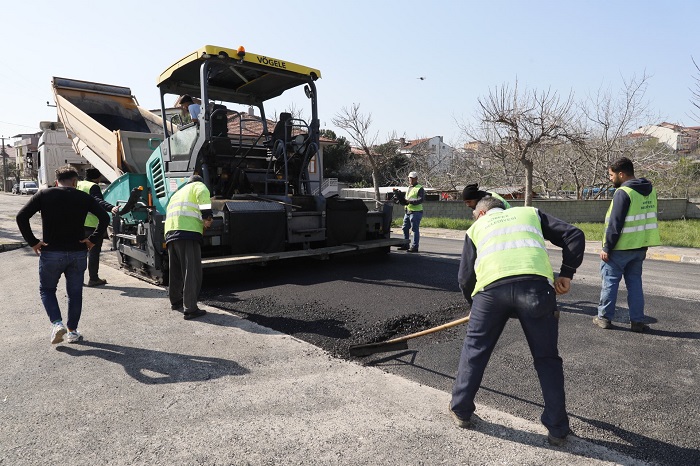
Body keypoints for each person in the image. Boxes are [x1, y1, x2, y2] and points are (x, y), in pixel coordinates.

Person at [449, 196, 585, 447]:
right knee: (547, 359)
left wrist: (475, 305)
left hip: (490, 294)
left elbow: (465, 277)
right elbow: (574, 234)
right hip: (536, 290)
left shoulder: (476, 228)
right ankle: (557, 428)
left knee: (475, 352)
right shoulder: (530, 214)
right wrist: (566, 273)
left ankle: (461, 410)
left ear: (480, 214)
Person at [16, 165, 110, 344]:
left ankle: (57, 323)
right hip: (78, 253)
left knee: (47, 289)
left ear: (56, 181)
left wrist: (33, 242)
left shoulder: (44, 195)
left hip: (51, 252)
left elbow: (21, 216)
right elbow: (104, 218)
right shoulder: (84, 197)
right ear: (75, 181)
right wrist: (92, 239)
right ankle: (72, 331)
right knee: (75, 293)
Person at [594, 157, 660, 333]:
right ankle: (637, 322)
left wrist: (607, 247)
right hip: (639, 248)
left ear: (621, 174)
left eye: (611, 175)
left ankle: (604, 318)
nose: (610, 178)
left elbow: (615, 224)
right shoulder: (649, 190)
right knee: (635, 284)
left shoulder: (624, 192)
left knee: (610, 283)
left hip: (619, 249)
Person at [164, 175, 214, 320]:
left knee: (175, 270)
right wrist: (207, 217)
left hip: (171, 233)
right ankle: (191, 308)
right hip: (188, 232)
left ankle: (176, 301)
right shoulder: (198, 186)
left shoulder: (177, 193)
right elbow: (203, 197)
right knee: (191, 271)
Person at [77, 168, 119, 287]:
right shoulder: (93, 187)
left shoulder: (78, 184)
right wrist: (111, 207)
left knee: (79, 253)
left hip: (79, 224)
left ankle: (78, 278)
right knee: (93, 252)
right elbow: (97, 201)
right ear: (98, 178)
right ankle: (93, 279)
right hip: (91, 225)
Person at [397, 171, 424, 253]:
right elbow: (406, 198)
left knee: (415, 229)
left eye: (412, 178)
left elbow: (420, 199)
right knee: (405, 228)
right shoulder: (409, 187)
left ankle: (415, 247)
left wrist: (410, 201)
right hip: (408, 211)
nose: (411, 179)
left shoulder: (420, 188)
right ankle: (406, 244)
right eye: (410, 178)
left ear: (416, 179)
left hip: (416, 212)